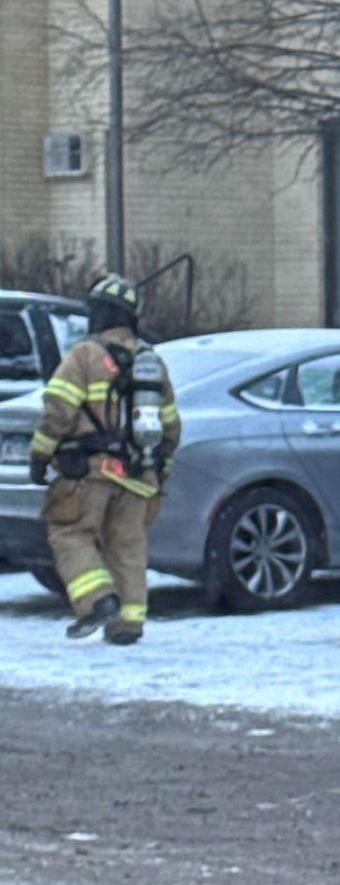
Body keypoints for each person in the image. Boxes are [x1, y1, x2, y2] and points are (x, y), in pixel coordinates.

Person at [26, 273, 179, 645]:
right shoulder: (151, 362)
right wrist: (160, 473)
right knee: (126, 548)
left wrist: (40, 455)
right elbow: (171, 428)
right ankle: (128, 623)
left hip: (87, 472)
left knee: (70, 533)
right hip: (138, 475)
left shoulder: (84, 355)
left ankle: (97, 602)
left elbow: (58, 411)